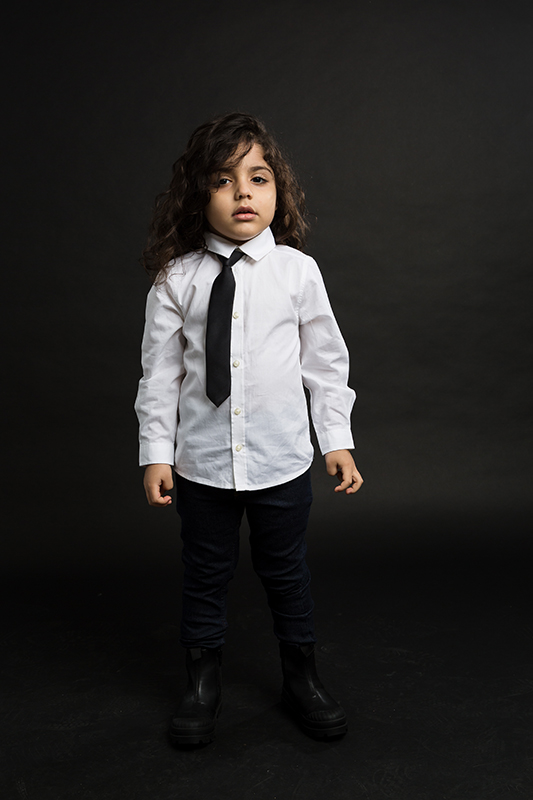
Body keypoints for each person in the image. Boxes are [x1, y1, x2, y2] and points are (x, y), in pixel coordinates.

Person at [134, 112, 363, 746]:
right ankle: (201, 683)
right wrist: (155, 453)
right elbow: (160, 375)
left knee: (286, 572)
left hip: (279, 461)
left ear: (277, 192)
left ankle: (301, 677)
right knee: (204, 574)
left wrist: (336, 440)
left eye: (258, 178)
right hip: (202, 466)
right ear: (198, 195)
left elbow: (325, 364)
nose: (243, 193)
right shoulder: (177, 279)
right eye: (223, 180)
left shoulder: (298, 272)